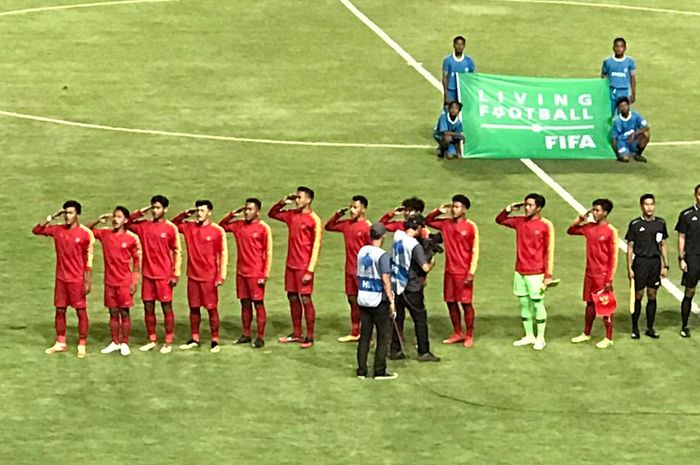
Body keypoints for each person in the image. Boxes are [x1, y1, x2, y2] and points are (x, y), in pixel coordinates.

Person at [32, 201, 94, 358]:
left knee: (81, 311)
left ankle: (82, 343)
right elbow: (37, 230)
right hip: (61, 278)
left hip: (77, 279)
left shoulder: (85, 233)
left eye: (71, 213)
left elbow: (89, 259)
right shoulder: (57, 230)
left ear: (77, 214)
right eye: (65, 213)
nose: (67, 216)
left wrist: (87, 281)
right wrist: (51, 216)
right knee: (60, 310)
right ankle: (61, 342)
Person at [496, 194, 555, 351]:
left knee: (537, 303)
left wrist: (548, 275)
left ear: (538, 208)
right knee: (523, 303)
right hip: (519, 270)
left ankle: (540, 338)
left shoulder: (545, 225)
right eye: (525, 205)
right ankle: (529, 335)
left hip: (536, 272)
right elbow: (500, 220)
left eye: (529, 205)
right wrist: (509, 209)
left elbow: (549, 251)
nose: (526, 208)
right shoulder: (519, 222)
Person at [268, 186, 323, 349]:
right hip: (290, 264)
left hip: (303, 266)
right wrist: (283, 201)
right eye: (296, 197)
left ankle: (310, 336)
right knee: (292, 297)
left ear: (308, 200)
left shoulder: (314, 220)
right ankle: (296, 333)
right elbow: (273, 214)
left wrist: (310, 270)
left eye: (300, 197)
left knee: (305, 299)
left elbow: (316, 246)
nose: (297, 200)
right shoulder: (292, 215)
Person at [127, 195, 181, 354]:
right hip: (148, 275)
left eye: (157, 208)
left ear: (165, 209)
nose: (154, 211)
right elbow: (128, 222)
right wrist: (142, 211)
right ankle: (152, 339)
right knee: (148, 307)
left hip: (164, 276)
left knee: (166, 308)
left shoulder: (171, 228)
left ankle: (168, 341)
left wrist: (175, 274)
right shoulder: (144, 226)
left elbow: (177, 251)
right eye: (153, 208)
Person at [172, 200, 228, 354]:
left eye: (202, 210)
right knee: (194, 308)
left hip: (209, 277)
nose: (199, 213)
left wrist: (220, 276)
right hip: (193, 276)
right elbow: (174, 224)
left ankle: (215, 340)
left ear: (209, 212)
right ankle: (195, 338)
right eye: (197, 210)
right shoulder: (189, 227)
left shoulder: (217, 231)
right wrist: (185, 213)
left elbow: (222, 254)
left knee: (211, 309)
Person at [425, 194, 479, 347]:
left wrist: (471, 272)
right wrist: (438, 211)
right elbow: (428, 221)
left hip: (463, 272)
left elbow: (475, 250)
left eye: (457, 207)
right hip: (449, 271)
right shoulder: (446, 224)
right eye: (453, 206)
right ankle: (457, 332)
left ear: (465, 209)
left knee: (466, 303)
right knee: (450, 302)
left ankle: (469, 334)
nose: (453, 210)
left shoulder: (470, 226)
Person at [88, 206, 142, 356]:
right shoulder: (105, 234)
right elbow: (86, 231)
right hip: (110, 281)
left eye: (118, 217)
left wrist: (134, 282)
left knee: (124, 313)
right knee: (112, 312)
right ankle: (115, 342)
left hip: (124, 281)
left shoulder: (132, 238)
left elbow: (137, 262)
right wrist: (98, 220)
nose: (115, 220)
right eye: (114, 217)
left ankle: (124, 343)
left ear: (125, 220)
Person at [220, 198, 273, 348]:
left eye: (250, 209)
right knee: (244, 303)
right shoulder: (238, 226)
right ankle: (246, 334)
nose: (247, 212)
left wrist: (264, 275)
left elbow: (268, 253)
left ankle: (260, 337)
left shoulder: (263, 228)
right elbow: (221, 226)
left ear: (258, 211)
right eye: (245, 209)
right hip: (241, 272)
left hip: (256, 273)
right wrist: (232, 214)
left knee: (258, 303)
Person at [567, 199, 619, 349]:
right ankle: (586, 333)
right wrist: (580, 218)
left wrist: (609, 279)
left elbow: (613, 257)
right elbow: (571, 231)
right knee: (589, 303)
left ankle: (608, 337)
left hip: (602, 276)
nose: (594, 213)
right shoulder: (589, 227)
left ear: (605, 213)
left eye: (597, 210)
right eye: (593, 210)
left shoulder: (611, 231)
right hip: (589, 273)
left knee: (605, 306)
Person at [389, 215, 440, 362]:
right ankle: (424, 352)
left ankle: (395, 350)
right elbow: (425, 267)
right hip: (411, 287)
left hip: (397, 285)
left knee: (397, 319)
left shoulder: (398, 236)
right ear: (417, 228)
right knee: (420, 319)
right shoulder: (414, 246)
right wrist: (432, 261)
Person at [324, 195, 371, 343]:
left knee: (365, 303)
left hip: (363, 272)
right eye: (351, 207)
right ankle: (355, 332)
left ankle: (368, 334)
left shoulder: (368, 227)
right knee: (352, 300)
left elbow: (373, 250)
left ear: (363, 209)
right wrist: (338, 214)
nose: (352, 210)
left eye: (355, 207)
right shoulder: (346, 225)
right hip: (349, 270)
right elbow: (329, 226)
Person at [356, 223, 398, 380]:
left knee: (365, 336)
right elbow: (386, 280)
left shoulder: (362, 251)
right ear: (383, 236)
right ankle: (379, 370)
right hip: (378, 300)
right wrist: (392, 301)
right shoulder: (382, 256)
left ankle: (361, 370)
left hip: (363, 298)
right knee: (383, 335)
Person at [625, 194, 669, 339]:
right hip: (640, 263)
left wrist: (665, 265)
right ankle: (635, 327)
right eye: (646, 204)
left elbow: (663, 244)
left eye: (652, 204)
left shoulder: (660, 223)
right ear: (641, 206)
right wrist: (629, 267)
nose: (649, 207)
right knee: (638, 295)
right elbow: (630, 247)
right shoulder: (635, 224)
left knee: (652, 295)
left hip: (655, 263)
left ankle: (650, 327)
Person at [675, 184, 700, 337]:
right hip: (693, 257)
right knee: (689, 291)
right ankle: (684, 325)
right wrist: (681, 258)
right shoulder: (687, 215)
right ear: (695, 195)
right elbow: (681, 236)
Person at [601, 37, 636, 114]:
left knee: (624, 114)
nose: (619, 49)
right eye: (617, 46)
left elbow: (632, 78)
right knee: (608, 114)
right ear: (613, 47)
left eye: (621, 46)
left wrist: (633, 94)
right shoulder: (607, 61)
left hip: (624, 92)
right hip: (611, 91)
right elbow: (603, 77)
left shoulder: (630, 62)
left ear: (625, 48)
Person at [612, 97, 650, 163]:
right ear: (618, 108)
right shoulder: (617, 121)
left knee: (646, 134)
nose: (624, 108)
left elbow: (646, 127)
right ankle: (624, 154)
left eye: (625, 105)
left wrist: (634, 134)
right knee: (625, 160)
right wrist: (617, 154)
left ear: (628, 105)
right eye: (621, 106)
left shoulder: (636, 115)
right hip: (623, 143)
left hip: (634, 140)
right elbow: (614, 138)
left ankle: (638, 154)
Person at [442, 35, 476, 106]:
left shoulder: (469, 61)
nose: (459, 46)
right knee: (449, 111)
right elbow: (445, 77)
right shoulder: (448, 60)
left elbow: (472, 77)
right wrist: (446, 94)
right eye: (457, 44)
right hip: (451, 90)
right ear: (454, 45)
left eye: (461, 44)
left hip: (464, 91)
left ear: (464, 46)